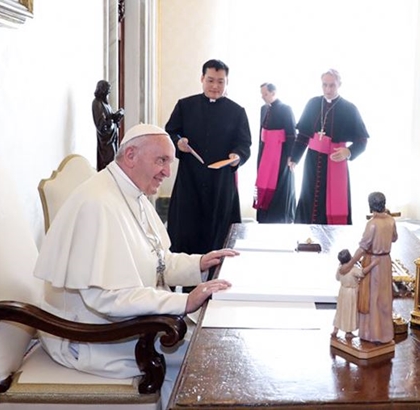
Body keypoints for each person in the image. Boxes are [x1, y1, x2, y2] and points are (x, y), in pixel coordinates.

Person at [33, 123, 239, 409]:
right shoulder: (99, 204)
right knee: (209, 352)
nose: (168, 171)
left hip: (127, 324)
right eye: (162, 160)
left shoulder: (131, 194)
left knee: (216, 341)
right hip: (93, 338)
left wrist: (199, 264)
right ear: (131, 155)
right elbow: (105, 297)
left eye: (169, 161)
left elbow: (157, 261)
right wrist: (184, 301)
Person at [165, 59, 252, 274]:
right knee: (186, 232)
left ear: (226, 82)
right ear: (202, 79)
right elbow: (169, 132)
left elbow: (244, 144)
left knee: (219, 235)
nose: (215, 86)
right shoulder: (185, 106)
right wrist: (178, 142)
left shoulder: (237, 111)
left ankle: (216, 284)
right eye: (211, 80)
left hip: (221, 183)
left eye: (220, 82)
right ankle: (185, 286)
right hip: (190, 181)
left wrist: (237, 155)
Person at [290, 69, 369, 225]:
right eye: (324, 85)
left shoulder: (349, 108)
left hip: (336, 161)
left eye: (332, 85)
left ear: (339, 84)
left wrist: (349, 151)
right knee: (309, 196)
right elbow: (303, 135)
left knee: (334, 202)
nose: (328, 89)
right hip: (312, 162)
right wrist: (294, 157)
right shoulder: (313, 103)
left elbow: (362, 140)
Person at [341, 192, 397, 344]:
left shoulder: (372, 224)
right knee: (385, 299)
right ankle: (385, 333)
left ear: (371, 205)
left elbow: (362, 248)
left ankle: (373, 334)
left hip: (373, 262)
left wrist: (350, 264)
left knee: (373, 298)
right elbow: (394, 238)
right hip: (386, 261)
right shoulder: (391, 220)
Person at [255, 82, 297, 223]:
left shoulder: (286, 109)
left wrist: (292, 156)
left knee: (280, 188)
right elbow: (261, 134)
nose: (263, 97)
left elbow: (292, 134)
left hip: (281, 156)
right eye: (262, 94)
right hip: (265, 153)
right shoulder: (263, 109)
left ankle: (279, 219)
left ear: (273, 93)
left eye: (265, 94)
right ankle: (263, 218)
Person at [332, 248, 378, 338]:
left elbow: (337, 278)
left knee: (340, 310)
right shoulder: (353, 269)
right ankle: (348, 332)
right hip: (351, 293)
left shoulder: (340, 268)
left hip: (342, 291)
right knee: (350, 312)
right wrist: (372, 264)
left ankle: (335, 330)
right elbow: (362, 272)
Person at [92, 79, 124, 171]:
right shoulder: (97, 103)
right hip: (105, 141)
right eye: (106, 92)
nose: (107, 95)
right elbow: (101, 126)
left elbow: (109, 117)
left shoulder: (106, 104)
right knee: (108, 164)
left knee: (114, 162)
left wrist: (117, 115)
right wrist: (112, 121)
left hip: (111, 138)